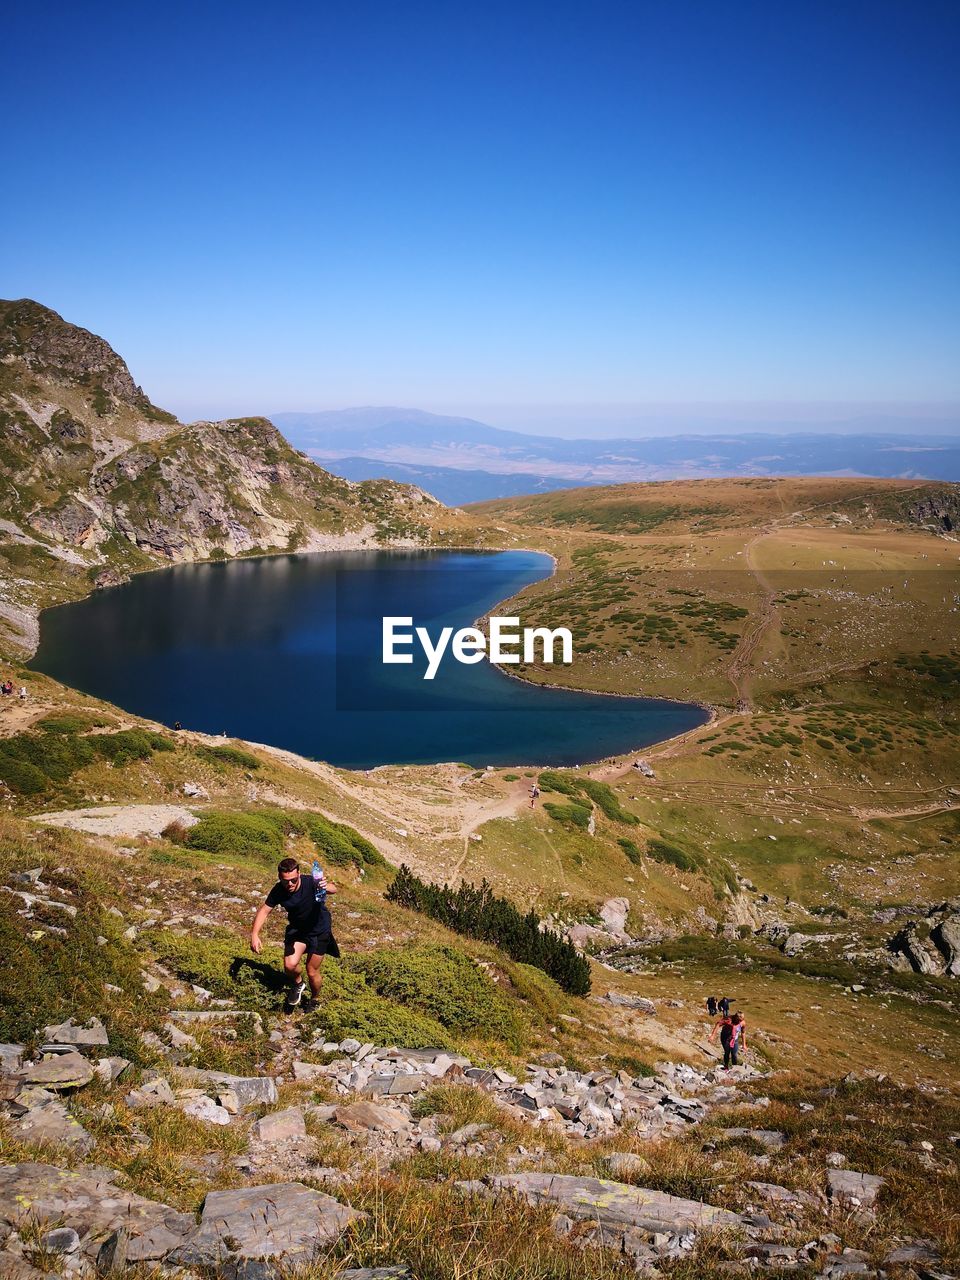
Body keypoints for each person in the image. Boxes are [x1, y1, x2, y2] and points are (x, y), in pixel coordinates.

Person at [249, 857, 338, 1013]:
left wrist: (325, 886)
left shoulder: (311, 882)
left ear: (299, 874)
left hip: (319, 931)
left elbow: (333, 889)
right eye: (285, 881)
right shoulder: (278, 890)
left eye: (293, 880)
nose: (289, 884)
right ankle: (298, 984)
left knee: (312, 971)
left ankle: (315, 999)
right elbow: (264, 910)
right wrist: (255, 934)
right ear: (279, 877)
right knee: (289, 966)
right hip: (298, 931)